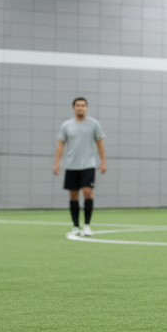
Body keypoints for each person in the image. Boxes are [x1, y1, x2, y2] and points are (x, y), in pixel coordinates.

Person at [52, 97, 106, 237]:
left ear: (86, 107)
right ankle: (76, 226)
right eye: (78, 105)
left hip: (88, 165)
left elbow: (100, 143)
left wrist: (103, 162)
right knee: (73, 195)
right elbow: (60, 144)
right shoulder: (66, 125)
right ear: (73, 108)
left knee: (88, 192)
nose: (80, 108)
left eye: (83, 105)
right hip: (71, 166)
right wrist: (57, 163)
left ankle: (87, 225)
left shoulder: (94, 124)